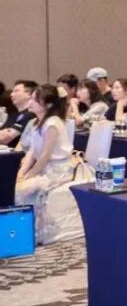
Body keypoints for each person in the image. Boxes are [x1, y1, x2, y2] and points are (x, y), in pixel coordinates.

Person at [15, 85, 75, 239]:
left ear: (47, 105)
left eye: (35, 100)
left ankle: (34, 231)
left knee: (24, 188)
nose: (30, 103)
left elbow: (45, 155)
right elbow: (32, 152)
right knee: (16, 182)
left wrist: (29, 175)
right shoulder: (36, 122)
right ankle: (22, 228)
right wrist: (22, 172)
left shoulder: (52, 123)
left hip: (58, 170)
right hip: (44, 167)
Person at [0, 80, 39, 146]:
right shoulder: (13, 115)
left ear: (29, 94)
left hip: (16, 151)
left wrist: (4, 133)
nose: (11, 94)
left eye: (16, 91)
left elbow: (5, 138)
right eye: (12, 92)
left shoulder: (29, 114)